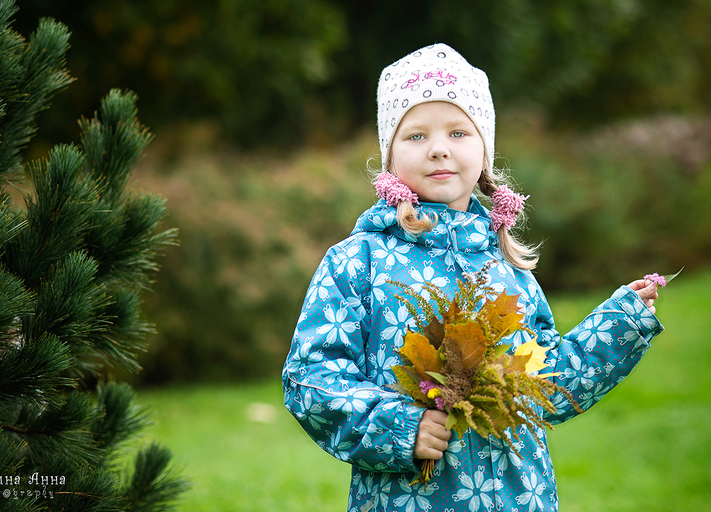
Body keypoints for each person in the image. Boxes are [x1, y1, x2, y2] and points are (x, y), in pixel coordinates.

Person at [282, 43, 662, 512]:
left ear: (484, 149)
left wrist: (620, 324)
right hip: (409, 500)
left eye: (459, 132)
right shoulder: (356, 263)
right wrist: (400, 426)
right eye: (416, 136)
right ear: (389, 155)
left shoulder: (506, 269)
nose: (439, 148)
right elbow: (311, 378)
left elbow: (544, 390)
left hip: (519, 497)